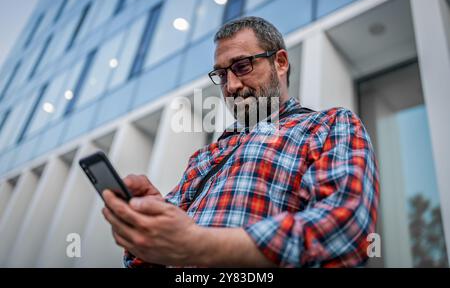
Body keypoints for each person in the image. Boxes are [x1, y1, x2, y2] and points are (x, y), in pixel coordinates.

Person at [101, 16, 379, 268]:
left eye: (242, 66)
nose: (231, 86)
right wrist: (149, 223)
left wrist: (197, 245)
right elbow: (149, 258)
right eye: (222, 75)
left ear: (280, 62)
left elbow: (345, 230)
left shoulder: (328, 125)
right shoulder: (203, 157)